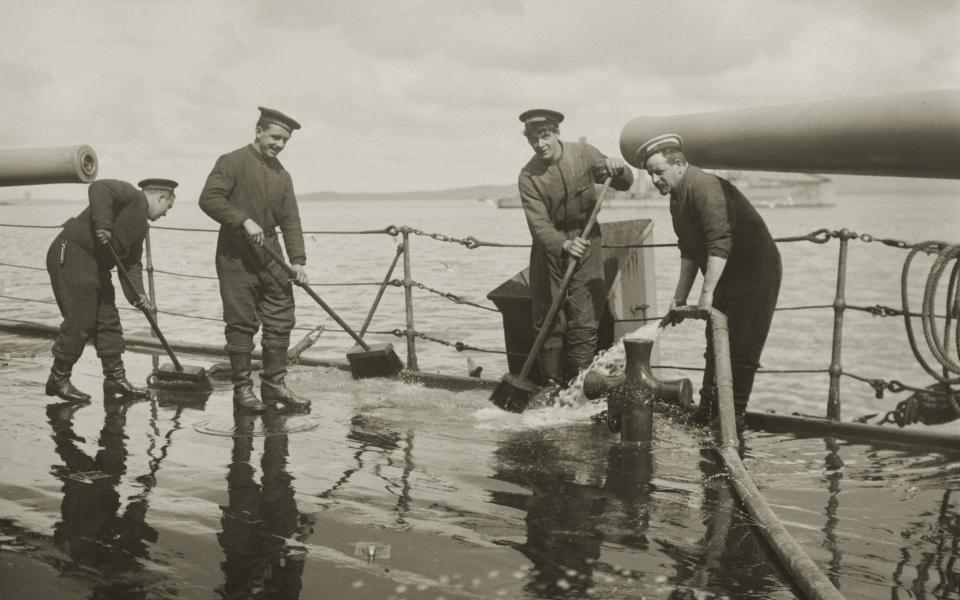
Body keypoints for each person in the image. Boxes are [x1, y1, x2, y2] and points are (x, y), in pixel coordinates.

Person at [637, 134, 781, 430]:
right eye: (650, 174)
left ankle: (732, 422)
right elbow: (689, 251)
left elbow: (719, 243)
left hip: (754, 273)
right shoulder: (677, 199)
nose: (654, 180)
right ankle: (707, 412)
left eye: (658, 171)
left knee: (740, 350)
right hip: (724, 275)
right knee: (715, 345)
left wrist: (707, 294)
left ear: (679, 164)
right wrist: (678, 299)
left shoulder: (704, 187)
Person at [199, 107, 311, 412]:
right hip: (235, 257)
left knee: (281, 318)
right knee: (241, 325)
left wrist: (298, 261)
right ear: (258, 131)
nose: (280, 144)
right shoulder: (231, 162)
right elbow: (209, 199)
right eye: (275, 137)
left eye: (285, 140)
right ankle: (243, 391)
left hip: (272, 257)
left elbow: (291, 220)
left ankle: (274, 386)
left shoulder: (282, 174)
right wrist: (243, 219)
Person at [517, 109, 634, 392]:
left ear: (557, 133)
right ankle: (553, 384)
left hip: (588, 240)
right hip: (551, 249)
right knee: (550, 317)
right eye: (533, 139)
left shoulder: (583, 153)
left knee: (585, 314)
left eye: (544, 136)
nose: (540, 144)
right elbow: (538, 224)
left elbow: (625, 181)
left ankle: (579, 383)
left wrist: (620, 168)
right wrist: (563, 244)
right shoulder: (528, 177)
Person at [45, 178, 177, 403]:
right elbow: (99, 187)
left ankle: (115, 379)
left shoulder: (141, 227)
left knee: (108, 319)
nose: (166, 213)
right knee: (81, 319)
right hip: (73, 253)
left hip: (96, 265)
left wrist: (139, 295)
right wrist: (103, 225)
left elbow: (132, 264)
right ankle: (58, 379)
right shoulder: (132, 196)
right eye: (168, 207)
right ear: (161, 197)